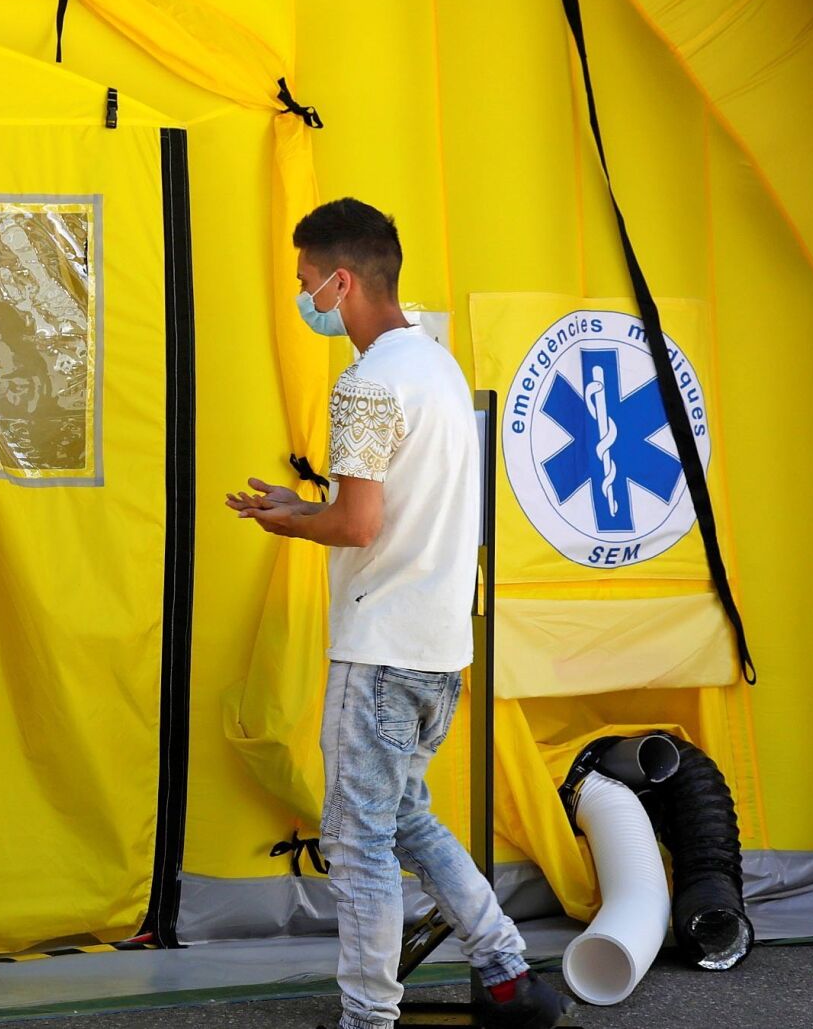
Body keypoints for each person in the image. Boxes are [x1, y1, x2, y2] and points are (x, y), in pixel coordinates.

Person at [226, 199, 570, 1029]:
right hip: (436, 647)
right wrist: (305, 503)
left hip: (377, 650)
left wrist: (290, 522)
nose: (302, 296)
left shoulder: (366, 383)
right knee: (404, 815)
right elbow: (387, 510)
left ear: (340, 282)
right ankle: (507, 976)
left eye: (305, 280)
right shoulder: (435, 367)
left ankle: (368, 1018)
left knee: (357, 844)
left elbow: (356, 526)